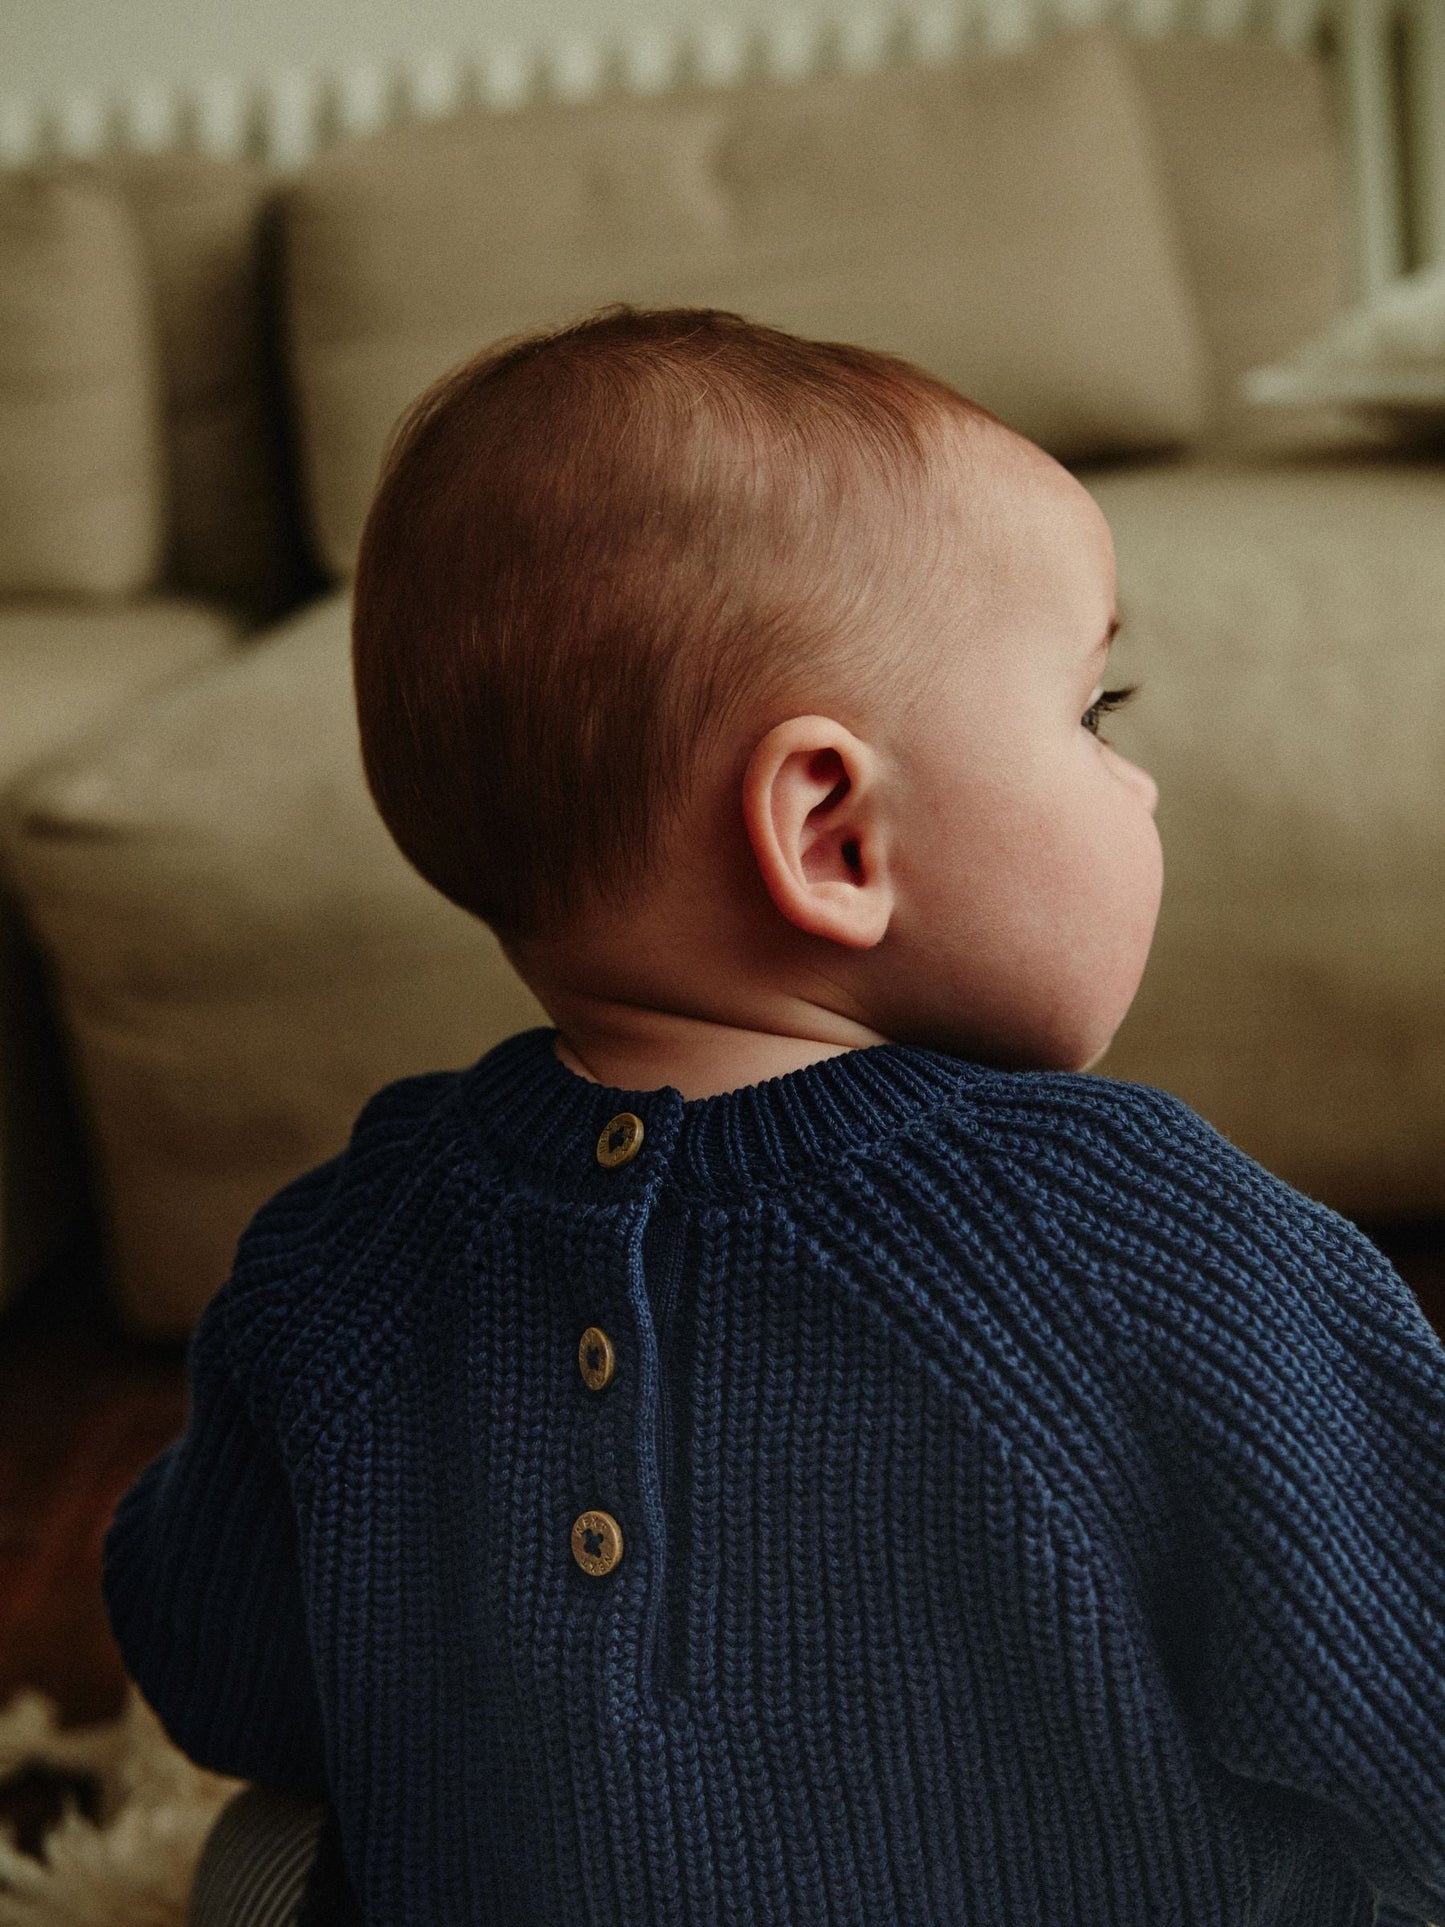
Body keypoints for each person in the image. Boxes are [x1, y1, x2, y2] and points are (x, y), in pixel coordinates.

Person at [108, 306, 1445, 1926]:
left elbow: (224, 1682)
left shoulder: (340, 1254)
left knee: (260, 1856)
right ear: (830, 832)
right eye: (1093, 718)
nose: (1137, 786)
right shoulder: (1144, 1234)